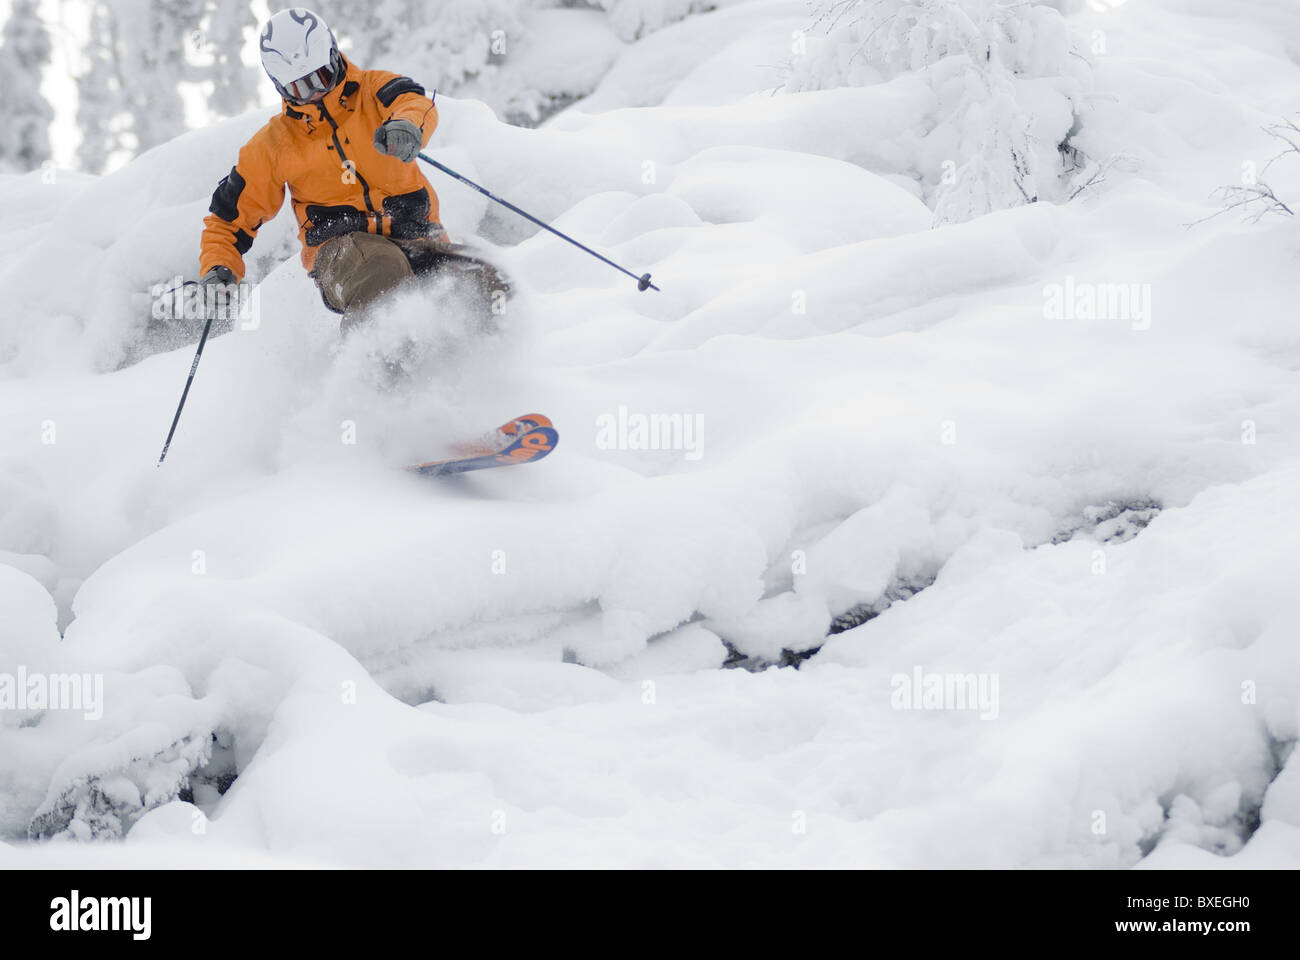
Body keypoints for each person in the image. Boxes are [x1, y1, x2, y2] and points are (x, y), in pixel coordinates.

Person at [197, 7, 506, 333]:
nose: (315, 92)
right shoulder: (273, 145)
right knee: (382, 271)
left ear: (335, 56)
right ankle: (368, 371)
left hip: (416, 234)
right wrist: (219, 267)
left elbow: (413, 101)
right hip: (341, 251)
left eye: (321, 76)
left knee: (483, 282)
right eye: (299, 88)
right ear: (280, 88)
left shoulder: (374, 90)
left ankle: (472, 372)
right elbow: (228, 220)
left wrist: (406, 126)